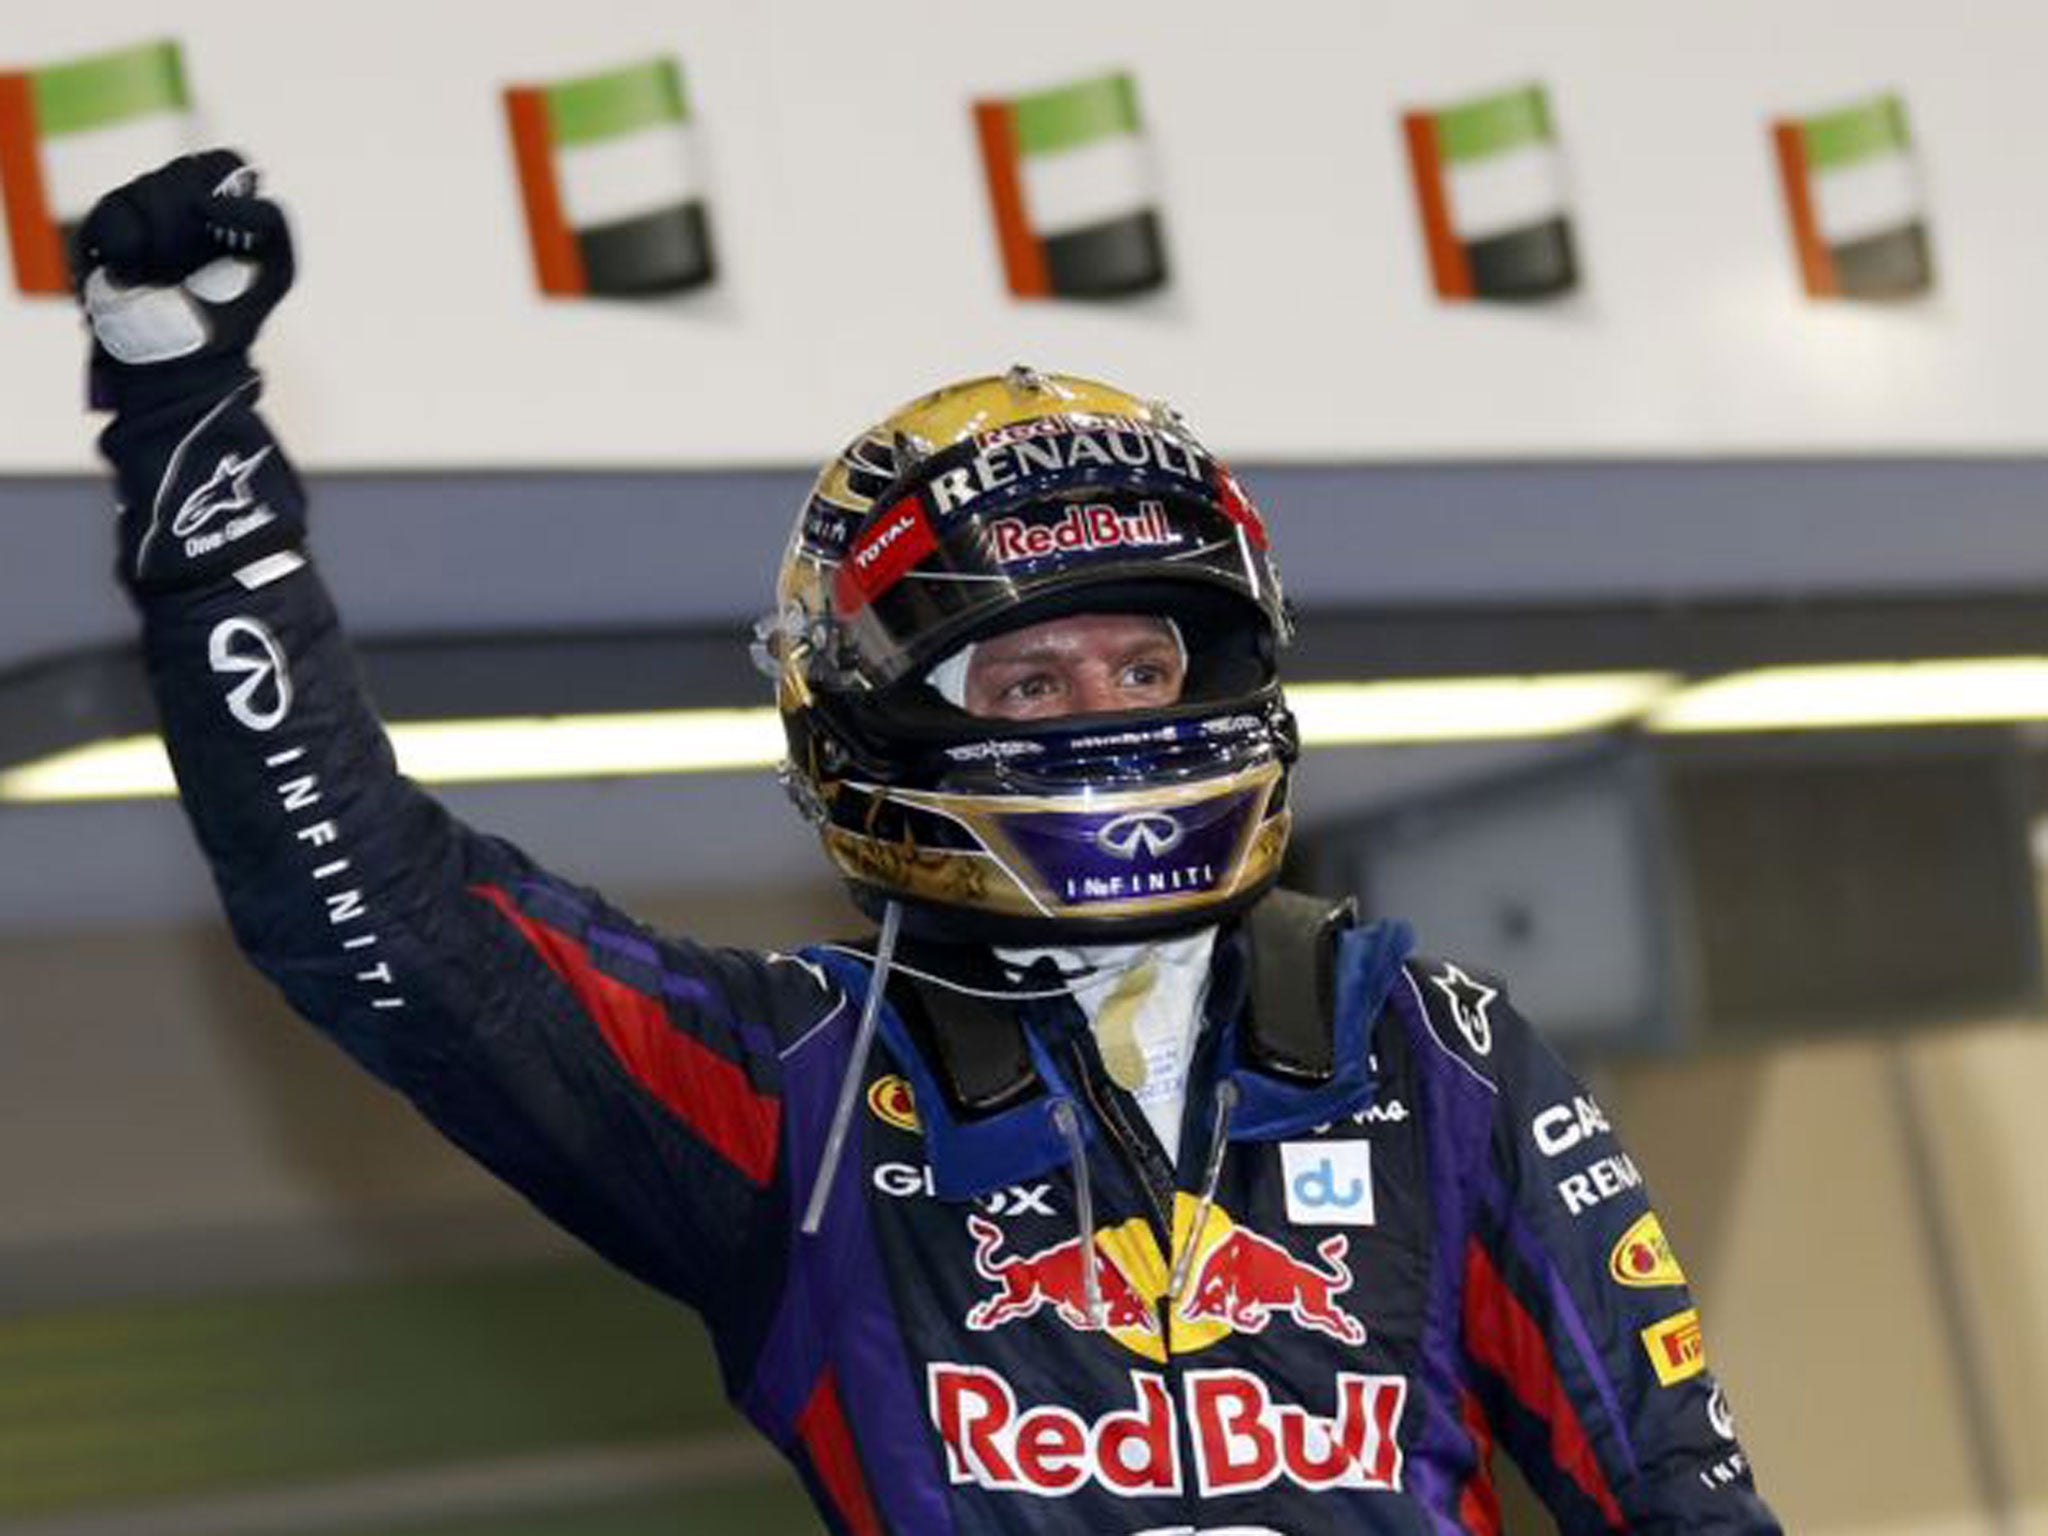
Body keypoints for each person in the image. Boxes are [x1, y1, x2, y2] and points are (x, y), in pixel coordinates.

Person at [75, 151, 1781, 1535]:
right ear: (874, 716)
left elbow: (1682, 1497)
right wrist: (193, 444)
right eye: (1034, 674)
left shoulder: (1435, 1049)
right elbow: (372, 918)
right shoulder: (797, 1092)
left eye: (1146, 659)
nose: (1108, 708)